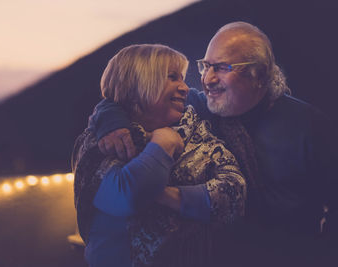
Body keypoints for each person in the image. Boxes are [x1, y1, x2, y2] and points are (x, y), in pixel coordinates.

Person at [89, 22, 338, 266]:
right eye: (205, 66)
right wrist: (112, 120)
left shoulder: (310, 126)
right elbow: (126, 96)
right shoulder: (199, 108)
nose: (207, 79)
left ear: (259, 74)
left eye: (221, 67)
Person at [72, 44, 246, 267]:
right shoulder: (104, 140)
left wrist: (169, 196)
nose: (185, 87)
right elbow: (126, 196)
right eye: (172, 78)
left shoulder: (198, 131)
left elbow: (235, 191)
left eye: (182, 78)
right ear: (138, 82)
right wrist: (162, 145)